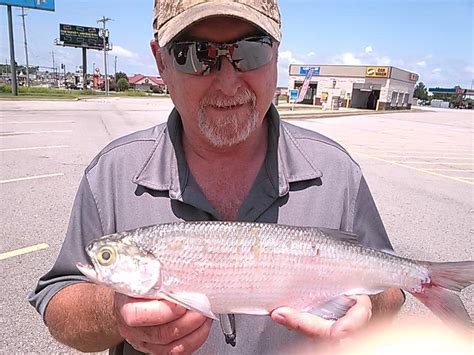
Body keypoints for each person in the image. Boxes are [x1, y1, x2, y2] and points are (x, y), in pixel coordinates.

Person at [29, 0, 404, 354]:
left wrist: (366, 308)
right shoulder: (111, 173)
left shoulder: (338, 172)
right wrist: (113, 311)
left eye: (251, 51)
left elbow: (392, 284)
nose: (227, 82)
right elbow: (58, 300)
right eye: (195, 55)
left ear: (276, 53)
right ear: (161, 61)